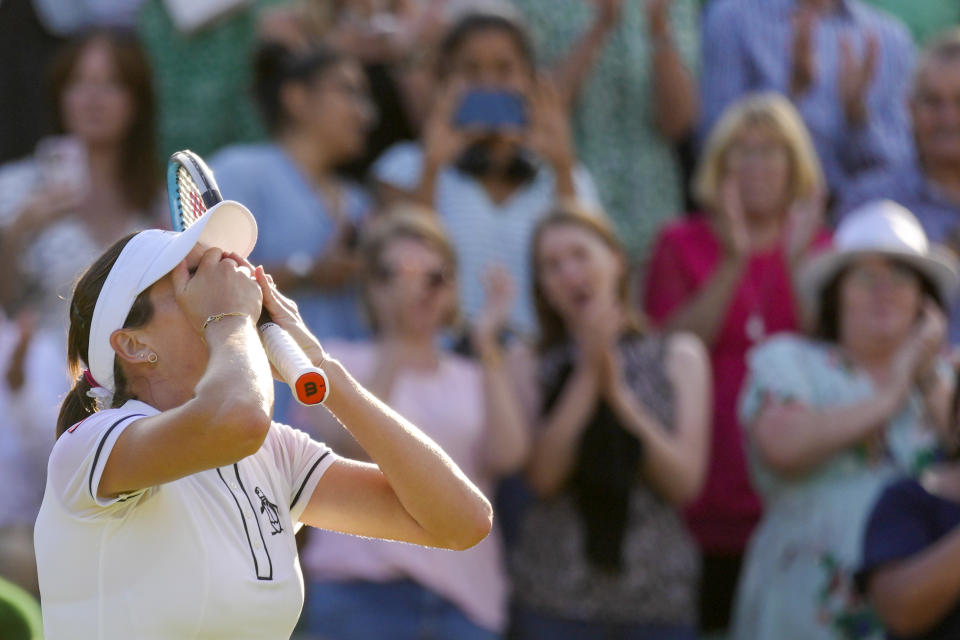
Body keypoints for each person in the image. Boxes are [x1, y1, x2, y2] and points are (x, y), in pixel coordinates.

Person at [33, 200, 493, 638]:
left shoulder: (275, 452)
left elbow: (461, 522)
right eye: (194, 275)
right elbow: (237, 421)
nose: (231, 277)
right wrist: (228, 317)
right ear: (133, 345)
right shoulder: (91, 443)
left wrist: (326, 371)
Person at [643, 91, 830, 634]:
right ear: (718, 167)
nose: (757, 167)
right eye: (741, 152)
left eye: (773, 152)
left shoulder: (821, 248)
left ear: (796, 167)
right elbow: (669, 348)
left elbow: (830, 359)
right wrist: (732, 261)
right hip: (700, 489)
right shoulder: (680, 241)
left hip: (788, 502)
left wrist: (796, 267)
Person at [293, 211, 528, 640]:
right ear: (371, 287)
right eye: (394, 274)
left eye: (434, 277)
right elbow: (346, 444)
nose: (416, 288)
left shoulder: (477, 375)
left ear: (453, 289)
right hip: (357, 596)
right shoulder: (333, 360)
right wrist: (398, 342)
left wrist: (488, 345)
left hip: (462, 603)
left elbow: (508, 456)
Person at [731, 200, 957, 640]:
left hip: (918, 608)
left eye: (901, 276)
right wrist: (893, 390)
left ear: (924, 301)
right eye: (865, 277)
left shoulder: (947, 379)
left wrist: (925, 372)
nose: (884, 290)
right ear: (837, 293)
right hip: (802, 608)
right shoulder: (789, 361)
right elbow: (782, 446)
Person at [508, 206, 710, 639]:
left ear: (616, 260)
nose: (569, 273)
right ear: (542, 288)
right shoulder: (527, 362)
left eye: (580, 255)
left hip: (656, 602)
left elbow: (684, 482)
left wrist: (618, 397)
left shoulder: (680, 356)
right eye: (552, 266)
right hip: (556, 602)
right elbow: (542, 478)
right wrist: (586, 374)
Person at [373, 9, 601, 337]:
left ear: (531, 81)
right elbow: (399, 268)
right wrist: (432, 168)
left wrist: (562, 166)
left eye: (505, 69)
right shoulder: (405, 167)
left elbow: (587, 270)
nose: (488, 83)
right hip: (444, 362)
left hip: (535, 363)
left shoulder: (565, 173)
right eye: (470, 70)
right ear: (444, 81)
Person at [212, 41, 376, 344]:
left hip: (341, 383)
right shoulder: (239, 172)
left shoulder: (358, 200)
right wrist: (309, 272)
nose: (366, 113)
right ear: (296, 98)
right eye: (348, 91)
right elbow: (206, 280)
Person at [513, 0, 700, 259]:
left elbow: (678, 122)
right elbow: (532, 117)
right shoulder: (533, 7)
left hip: (651, 223)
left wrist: (659, 27)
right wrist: (600, 27)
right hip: (567, 223)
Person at [0, 28, 161, 326]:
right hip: (38, 367)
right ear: (59, 94)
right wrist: (17, 232)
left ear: (138, 100)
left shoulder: (159, 200)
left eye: (112, 83)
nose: (92, 98)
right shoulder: (13, 187)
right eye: (78, 83)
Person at [700, 0, 915, 195]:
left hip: (855, 214)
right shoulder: (731, 19)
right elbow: (714, 150)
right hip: (761, 220)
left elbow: (899, 167)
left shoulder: (890, 38)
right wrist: (792, 95)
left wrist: (856, 116)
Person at [837, 29, 960, 342]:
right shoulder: (869, 202)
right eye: (933, 102)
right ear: (909, 108)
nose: (949, 117)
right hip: (900, 383)